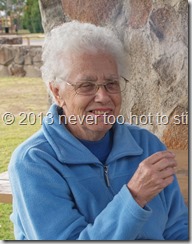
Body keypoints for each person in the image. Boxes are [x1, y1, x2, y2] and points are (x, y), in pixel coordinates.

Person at [8, 21, 188, 240]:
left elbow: (179, 229)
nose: (103, 97)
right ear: (57, 92)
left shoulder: (148, 146)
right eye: (86, 85)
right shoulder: (34, 162)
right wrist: (134, 197)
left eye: (111, 83)